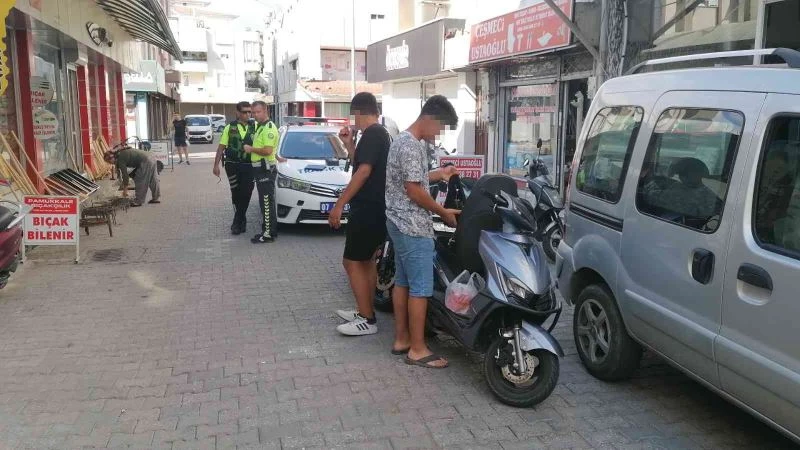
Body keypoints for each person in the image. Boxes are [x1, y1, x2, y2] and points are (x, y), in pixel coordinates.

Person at [385, 95, 459, 368]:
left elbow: (413, 179)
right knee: (420, 288)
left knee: (403, 282)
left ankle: (402, 339)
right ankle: (417, 349)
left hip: (397, 222)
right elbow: (414, 190)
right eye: (440, 129)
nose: (438, 135)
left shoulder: (404, 141)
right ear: (430, 119)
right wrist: (444, 214)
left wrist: (440, 175)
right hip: (413, 227)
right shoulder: (411, 147)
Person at [328, 92, 392, 336]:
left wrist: (339, 204)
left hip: (368, 209)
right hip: (373, 209)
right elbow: (361, 163)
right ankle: (364, 309)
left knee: (352, 261)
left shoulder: (374, 134)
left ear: (358, 112)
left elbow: (363, 172)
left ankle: (367, 318)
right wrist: (348, 145)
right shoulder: (376, 134)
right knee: (364, 261)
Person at [214, 101, 256, 235]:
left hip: (249, 166)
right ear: (237, 113)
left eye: (250, 112)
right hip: (232, 165)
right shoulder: (229, 128)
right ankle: (241, 222)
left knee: (247, 193)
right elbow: (221, 147)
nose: (248, 114)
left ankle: (237, 221)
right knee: (236, 193)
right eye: (244, 112)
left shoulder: (255, 127)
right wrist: (215, 165)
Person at [244, 101, 281, 244]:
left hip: (265, 170)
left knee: (266, 201)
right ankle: (271, 230)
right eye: (253, 112)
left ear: (266, 111)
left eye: (258, 112)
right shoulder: (261, 127)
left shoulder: (269, 128)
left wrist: (250, 149)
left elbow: (268, 150)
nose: (255, 115)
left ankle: (267, 234)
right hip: (261, 169)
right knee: (266, 201)